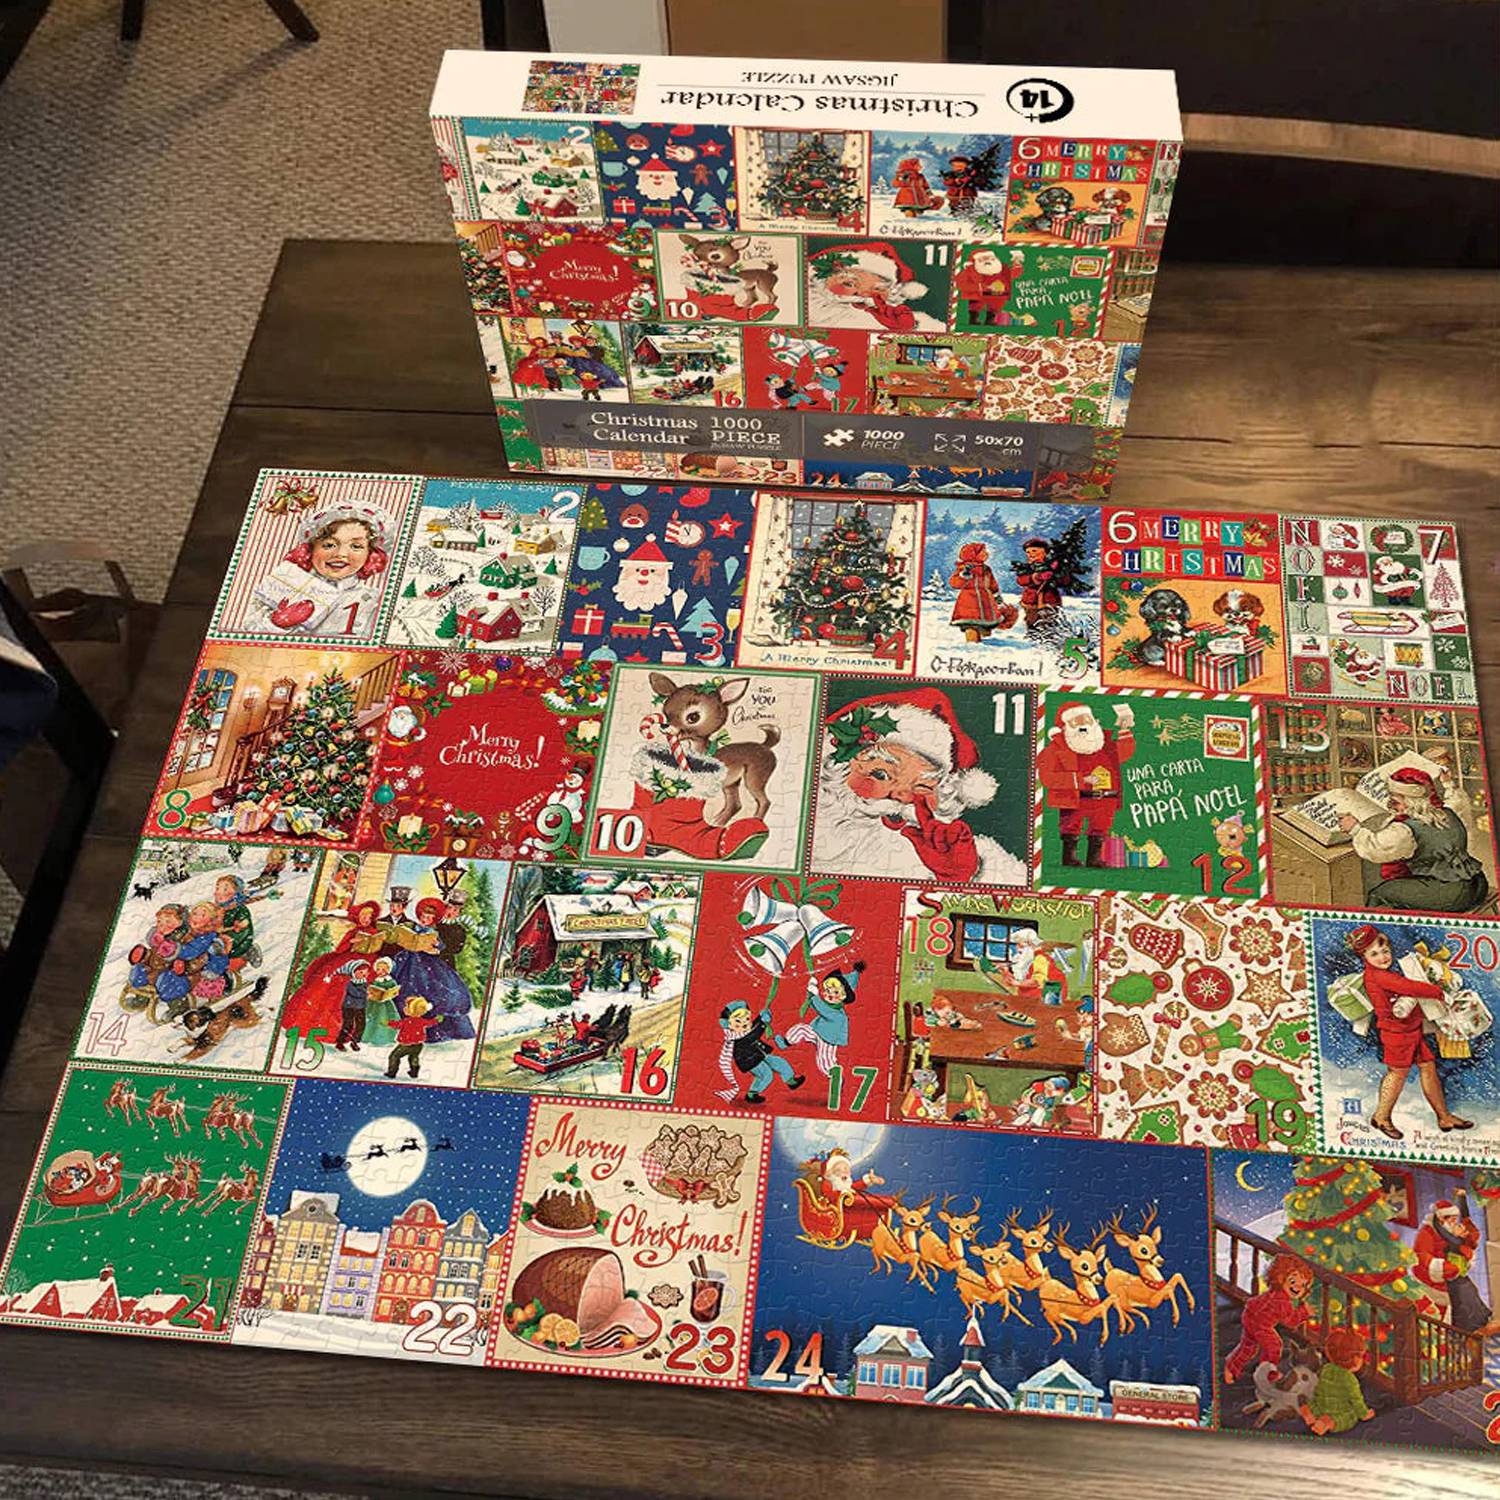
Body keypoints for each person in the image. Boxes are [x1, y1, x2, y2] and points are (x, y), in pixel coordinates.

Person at [812, 687, 1025, 884]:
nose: (903, 797)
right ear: (834, 771)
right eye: (880, 774)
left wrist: (960, 877)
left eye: (923, 787)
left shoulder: (947, 858)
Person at [1345, 923, 1473, 1139]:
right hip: (1397, 1034)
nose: (1383, 957)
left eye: (1385, 951)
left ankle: (1444, 1116)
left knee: (1428, 1067)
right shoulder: (1378, 976)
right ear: (1364, 957)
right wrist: (1438, 992)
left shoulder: (1383, 972)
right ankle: (1381, 1116)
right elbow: (1410, 987)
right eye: (1374, 954)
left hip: (1411, 1030)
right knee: (1397, 1073)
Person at [1338, 766, 1489, 913]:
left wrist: (1355, 829)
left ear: (1412, 802)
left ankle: (1377, 927)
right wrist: (1448, 783)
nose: (1391, 806)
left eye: (1395, 802)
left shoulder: (1406, 830)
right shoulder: (1448, 811)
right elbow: (1456, 800)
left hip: (1453, 895)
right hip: (1478, 884)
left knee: (1379, 894)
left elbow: (1376, 848)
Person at [245, 503, 392, 636]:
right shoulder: (282, 584)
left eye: (356, 546)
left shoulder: (375, 600)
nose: (340, 554)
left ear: (371, 555)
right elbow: (248, 632)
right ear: (310, 550)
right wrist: (276, 624)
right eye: (329, 545)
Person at [1036, 699, 1137, 869]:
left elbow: (1125, 752)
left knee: (1101, 827)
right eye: (1076, 721)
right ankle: (1069, 858)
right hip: (1075, 798)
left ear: (1095, 721)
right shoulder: (1056, 749)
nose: (1083, 725)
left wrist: (1124, 729)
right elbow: (1047, 778)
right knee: (1071, 827)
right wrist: (1081, 779)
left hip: (1105, 799)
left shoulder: (1104, 744)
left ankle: (1094, 859)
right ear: (1064, 727)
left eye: (1087, 719)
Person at [280, 899, 386, 1041]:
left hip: (366, 961)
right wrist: (351, 942)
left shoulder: (375, 932)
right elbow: (340, 949)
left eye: (369, 917)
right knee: (326, 981)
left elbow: (378, 950)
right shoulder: (353, 932)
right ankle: (308, 1021)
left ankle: (340, 1028)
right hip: (346, 959)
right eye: (363, 916)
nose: (366, 920)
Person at [1412, 1192, 1500, 1333]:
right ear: (1441, 1219)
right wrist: (1447, 1268)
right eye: (1452, 1219)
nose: (1454, 1222)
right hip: (1434, 1277)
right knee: (1463, 1291)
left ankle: (1478, 1324)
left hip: (1453, 1274)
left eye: (1455, 1219)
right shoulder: (1427, 1232)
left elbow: (1472, 1236)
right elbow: (1423, 1257)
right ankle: (1464, 1328)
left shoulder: (1451, 1232)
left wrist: (1462, 1201)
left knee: (1469, 1290)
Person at [1224, 1252, 1314, 1385]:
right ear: (1281, 1278)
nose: (1297, 1288)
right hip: (1260, 1325)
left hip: (1250, 1315)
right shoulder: (1283, 1301)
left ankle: (1231, 1367)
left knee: (1248, 1346)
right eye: (1293, 1282)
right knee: (1274, 1346)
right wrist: (1304, 1312)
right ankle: (1268, 1373)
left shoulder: (1275, 1291)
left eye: (1303, 1285)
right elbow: (1291, 1321)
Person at [785, 962, 864, 1076]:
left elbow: (823, 1010)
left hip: (828, 1040)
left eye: (835, 992)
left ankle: (835, 1077)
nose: (830, 994)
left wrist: (815, 996)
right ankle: (786, 1042)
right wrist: (810, 993)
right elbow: (815, 1006)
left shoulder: (840, 1016)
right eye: (827, 990)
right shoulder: (828, 1005)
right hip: (817, 1031)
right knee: (800, 1029)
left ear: (844, 997)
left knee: (824, 1062)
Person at [720, 1001, 805, 1105]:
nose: (745, 1023)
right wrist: (762, 1022)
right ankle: (752, 1094)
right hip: (749, 1060)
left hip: (759, 1053)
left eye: (747, 1019)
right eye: (738, 1021)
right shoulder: (734, 1036)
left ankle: (791, 1081)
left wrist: (761, 1017)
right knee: (766, 1074)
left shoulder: (746, 1029)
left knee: (779, 1062)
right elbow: (752, 1035)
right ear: (729, 1025)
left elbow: (753, 1028)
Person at [1298, 1328, 1375, 1436]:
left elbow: (1319, 1388)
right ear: (1354, 1358)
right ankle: (1327, 1423)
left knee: (1315, 1402)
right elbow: (1356, 1401)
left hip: (1320, 1405)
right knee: (1351, 1415)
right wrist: (1364, 1414)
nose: (1362, 1360)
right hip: (1336, 1412)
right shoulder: (1350, 1379)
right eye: (1361, 1356)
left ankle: (1308, 1411)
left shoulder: (1326, 1368)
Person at [949, 541, 1016, 642]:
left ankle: (985, 642)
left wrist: (996, 595)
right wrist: (964, 575)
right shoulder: (963, 568)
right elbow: (954, 583)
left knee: (986, 627)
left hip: (986, 600)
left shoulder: (986, 569)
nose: (986, 554)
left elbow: (992, 583)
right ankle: (973, 644)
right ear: (973, 554)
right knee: (971, 625)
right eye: (983, 551)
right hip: (969, 601)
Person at [386, 996, 439, 1079]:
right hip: (418, 1045)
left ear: (411, 1010)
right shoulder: (421, 1021)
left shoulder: (407, 1021)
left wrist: (388, 1023)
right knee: (413, 1057)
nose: (405, 1008)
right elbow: (430, 1022)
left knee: (394, 1056)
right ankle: (414, 1072)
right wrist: (436, 1020)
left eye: (407, 1007)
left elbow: (397, 1025)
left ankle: (392, 1072)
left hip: (406, 1045)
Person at [334, 960, 373, 1051]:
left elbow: (365, 993)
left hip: (361, 1007)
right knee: (348, 1025)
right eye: (361, 972)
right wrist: (366, 994)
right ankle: (340, 1042)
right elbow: (355, 993)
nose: (364, 975)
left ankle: (354, 1041)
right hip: (349, 1007)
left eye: (366, 973)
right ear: (353, 972)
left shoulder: (365, 983)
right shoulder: (350, 984)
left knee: (361, 1025)